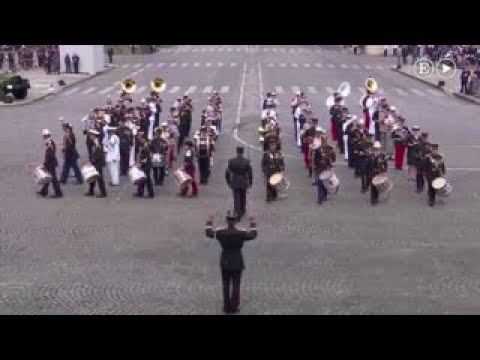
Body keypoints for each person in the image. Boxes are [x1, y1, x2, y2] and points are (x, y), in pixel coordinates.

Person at [205, 211, 257, 314]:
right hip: (237, 260)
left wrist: (209, 221)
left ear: (226, 220)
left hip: (225, 260)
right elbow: (253, 235)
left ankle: (226, 306)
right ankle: (234, 306)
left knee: (226, 284)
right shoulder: (241, 233)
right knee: (236, 284)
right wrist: (252, 223)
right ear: (236, 221)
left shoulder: (221, 232)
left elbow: (209, 233)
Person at [225, 147, 253, 221]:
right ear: (242, 152)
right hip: (244, 181)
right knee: (243, 197)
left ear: (237, 152)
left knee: (236, 198)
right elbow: (250, 173)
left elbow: (227, 173)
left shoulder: (231, 161)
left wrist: (228, 182)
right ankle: (242, 210)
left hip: (235, 181)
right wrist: (250, 182)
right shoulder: (247, 161)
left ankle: (238, 213)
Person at [37, 129, 63, 198]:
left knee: (53, 179)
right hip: (51, 163)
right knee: (47, 177)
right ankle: (44, 191)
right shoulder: (49, 142)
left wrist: (44, 164)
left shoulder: (49, 143)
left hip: (51, 163)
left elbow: (50, 155)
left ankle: (58, 193)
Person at [84, 130, 107, 198]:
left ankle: (103, 193)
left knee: (99, 178)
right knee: (92, 177)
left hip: (98, 163)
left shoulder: (97, 142)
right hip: (95, 162)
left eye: (91, 135)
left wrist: (92, 161)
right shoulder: (95, 142)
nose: (90, 137)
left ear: (94, 135)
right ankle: (91, 191)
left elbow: (99, 154)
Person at [367, 141, 388, 206]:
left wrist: (384, 171)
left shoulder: (382, 155)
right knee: (373, 186)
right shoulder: (371, 155)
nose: (377, 149)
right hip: (372, 173)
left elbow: (385, 164)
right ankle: (373, 199)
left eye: (378, 148)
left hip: (379, 173)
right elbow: (368, 164)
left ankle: (376, 198)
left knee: (377, 186)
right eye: (376, 148)